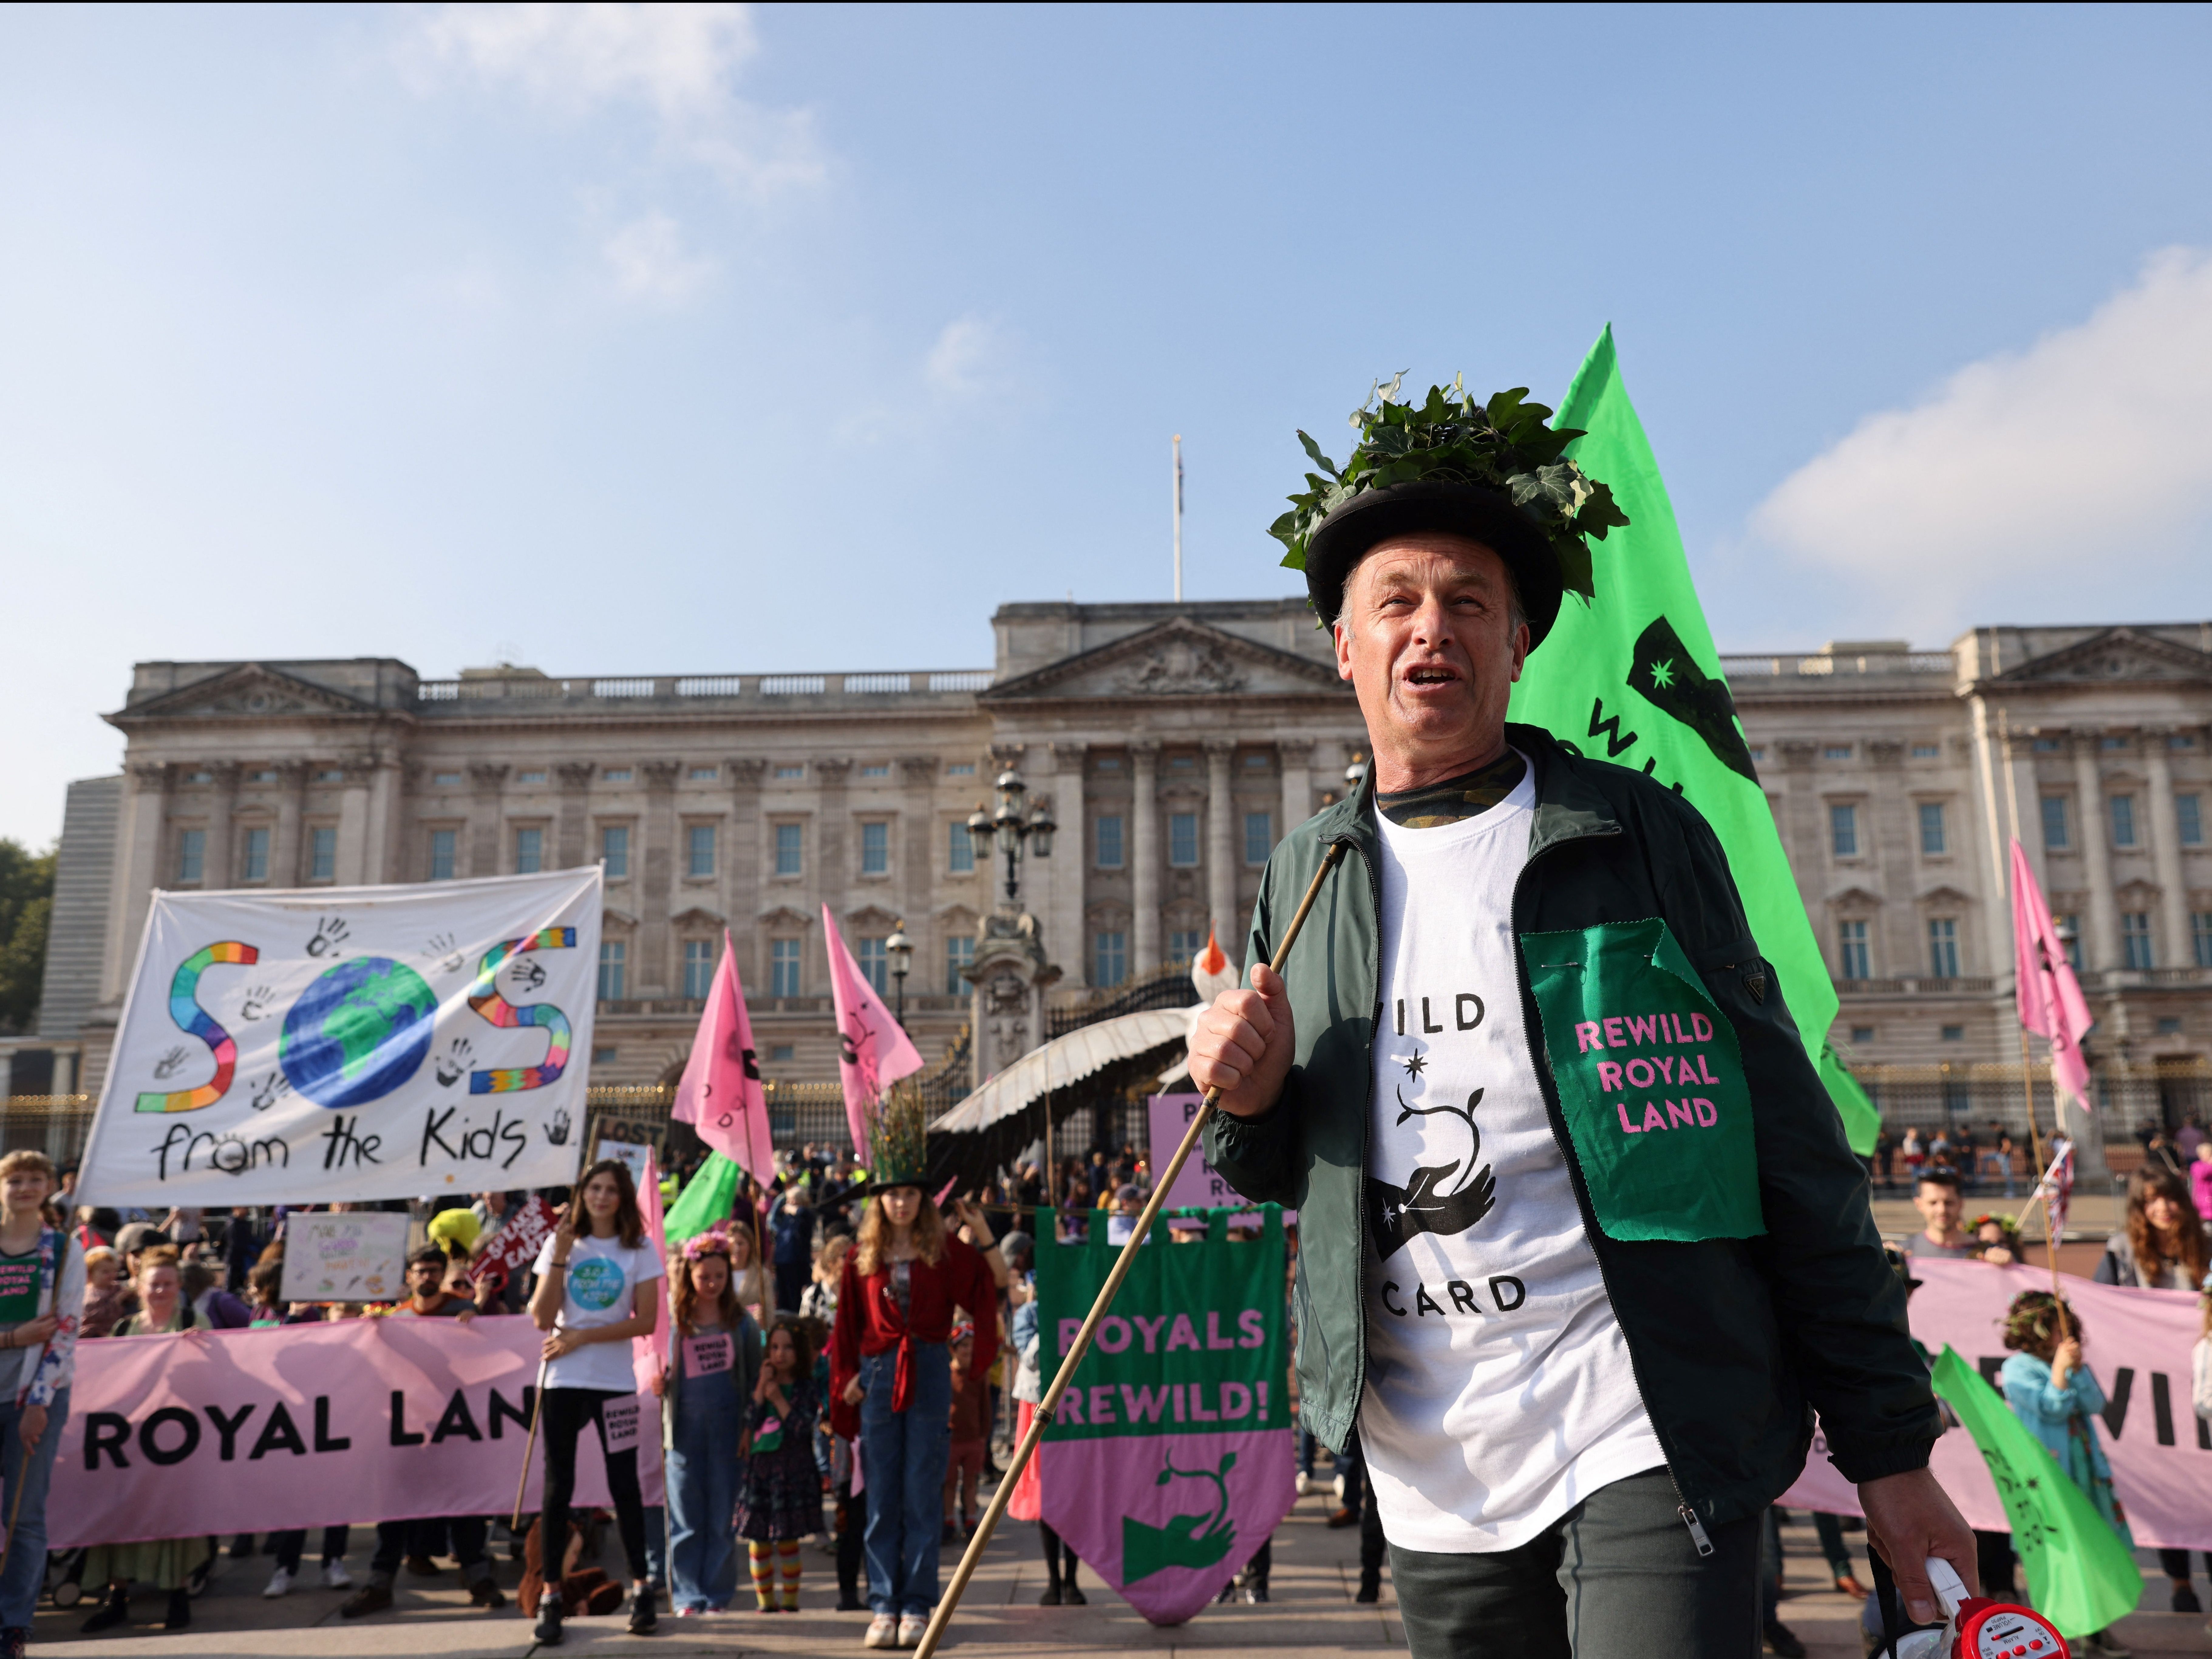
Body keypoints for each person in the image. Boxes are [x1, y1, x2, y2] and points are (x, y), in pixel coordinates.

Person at [1189, 400, 1967, 1657]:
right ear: (1344, 647)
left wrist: (1887, 1445)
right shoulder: (1305, 874)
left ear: (1517, 644)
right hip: (1433, 1453)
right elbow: (1294, 1172)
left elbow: (1787, 1138)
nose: (1429, 628)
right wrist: (1248, 1101)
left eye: (1468, 601)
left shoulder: (1635, 830)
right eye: (1395, 602)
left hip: (1640, 1407)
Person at [829, 1126, 1002, 1652]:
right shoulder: (862, 1256)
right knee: (881, 1495)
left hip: (927, 1368)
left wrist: (982, 1229)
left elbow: (993, 1282)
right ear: (880, 1200)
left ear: (924, 1199)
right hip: (878, 1372)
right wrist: (846, 1381)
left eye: (910, 1192)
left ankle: (918, 1603)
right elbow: (846, 1325)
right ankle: (883, 1601)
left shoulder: (946, 1250)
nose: (901, 1201)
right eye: (893, 1192)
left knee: (923, 1491)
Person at [527, 1159, 665, 1645]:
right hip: (562, 1381)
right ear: (583, 1193)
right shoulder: (560, 1243)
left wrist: (582, 1338)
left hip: (613, 1381)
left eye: (611, 1190)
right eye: (594, 1189)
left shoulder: (639, 1249)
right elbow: (543, 1318)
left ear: (624, 1198)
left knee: (624, 1485)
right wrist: (561, 1257)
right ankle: (550, 1596)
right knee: (556, 1487)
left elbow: (645, 1321)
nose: (602, 1197)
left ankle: (643, 1590)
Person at [338, 1247, 502, 1614]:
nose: (427, 1277)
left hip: (457, 1427)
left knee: (466, 1509)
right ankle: (380, 1584)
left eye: (433, 1271)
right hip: (410, 1429)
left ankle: (478, 1577)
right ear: (409, 1277)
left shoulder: (463, 1312)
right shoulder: (396, 1318)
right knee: (395, 1509)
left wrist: (474, 1330)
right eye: (420, 1271)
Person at [2092, 1165, 2210, 1615]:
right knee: (2170, 1474)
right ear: (2140, 1208)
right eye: (2151, 1201)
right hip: (2148, 1385)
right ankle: (2180, 1581)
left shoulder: (2206, 1247)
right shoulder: (2121, 1252)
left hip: (2202, 1381)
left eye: (2169, 1198)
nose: (2162, 1208)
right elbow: (2098, 1306)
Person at [80, 1246, 210, 1633]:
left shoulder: (193, 1320)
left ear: (180, 1285)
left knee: (174, 1515)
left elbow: (218, 1376)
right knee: (124, 1513)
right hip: (132, 1438)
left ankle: (178, 1595)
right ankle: (117, 1596)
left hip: (178, 1438)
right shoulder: (124, 1329)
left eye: (169, 1283)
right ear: (139, 1285)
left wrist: (199, 1349)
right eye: (155, 1283)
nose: (161, 1291)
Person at [1999, 1292, 2131, 1656]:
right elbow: (2050, 1409)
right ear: (2034, 1330)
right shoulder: (2018, 1369)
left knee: (2093, 1548)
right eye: (2058, 1329)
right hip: (2049, 1478)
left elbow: (2095, 1404)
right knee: (2056, 1555)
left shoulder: (2073, 1363)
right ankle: (2056, 1632)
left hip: (2084, 1472)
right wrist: (2059, 1372)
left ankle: (2097, 1629)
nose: (2065, 1337)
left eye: (2068, 1329)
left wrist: (2076, 1369)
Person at [0, 1151, 83, 1659]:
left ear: (49, 1186)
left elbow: (65, 1328)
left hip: (34, 1395)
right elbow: (27, 1332)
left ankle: (12, 1626)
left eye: (35, 1179)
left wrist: (39, 1401)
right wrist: (12, 1336)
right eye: (14, 1178)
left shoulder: (64, 1249)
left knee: (24, 1515)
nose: (25, 1187)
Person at [655, 1228, 761, 1616]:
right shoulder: (672, 1322)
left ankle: (717, 1595)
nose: (712, 1283)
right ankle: (686, 1596)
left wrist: (749, 1426)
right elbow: (656, 1371)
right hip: (683, 1433)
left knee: (721, 1518)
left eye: (720, 1276)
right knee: (686, 1518)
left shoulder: (742, 1324)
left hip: (728, 1432)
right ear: (689, 1276)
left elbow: (753, 1380)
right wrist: (657, 1381)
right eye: (704, 1277)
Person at [733, 1317, 822, 1612]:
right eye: (774, 1347)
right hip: (761, 1469)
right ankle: (765, 1602)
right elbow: (750, 1418)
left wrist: (778, 1400)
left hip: (791, 1469)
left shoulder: (805, 1388)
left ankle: (790, 1602)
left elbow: (802, 1426)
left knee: (786, 1539)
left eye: (787, 1347)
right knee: (758, 1541)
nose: (779, 1353)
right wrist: (762, 1389)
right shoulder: (764, 1383)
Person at [942, 1325, 988, 1541]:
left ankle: (970, 1519)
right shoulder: (946, 1375)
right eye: (963, 1346)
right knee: (949, 1483)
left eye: (971, 1346)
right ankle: (948, 1520)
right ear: (953, 1349)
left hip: (973, 1438)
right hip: (951, 1439)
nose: (968, 1351)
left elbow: (985, 1407)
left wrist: (983, 1435)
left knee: (971, 1482)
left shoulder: (978, 1376)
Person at [1901, 1166, 1982, 1261]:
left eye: (1949, 1203)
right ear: (1919, 1205)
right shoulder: (1906, 1252)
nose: (1942, 1210)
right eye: (1933, 1203)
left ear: (1961, 1204)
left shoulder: (1984, 1252)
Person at [771, 1182, 815, 1317]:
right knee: (783, 1294)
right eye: (789, 1201)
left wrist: (793, 1209)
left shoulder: (805, 1216)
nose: (789, 1204)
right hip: (782, 1260)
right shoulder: (787, 1218)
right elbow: (773, 1222)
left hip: (797, 1261)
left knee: (794, 1295)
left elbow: (805, 1214)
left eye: (793, 1201)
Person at [802, 1233, 849, 1323]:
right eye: (844, 1256)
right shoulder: (814, 1295)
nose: (851, 1259)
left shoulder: (858, 1292)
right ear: (831, 1261)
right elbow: (805, 1331)